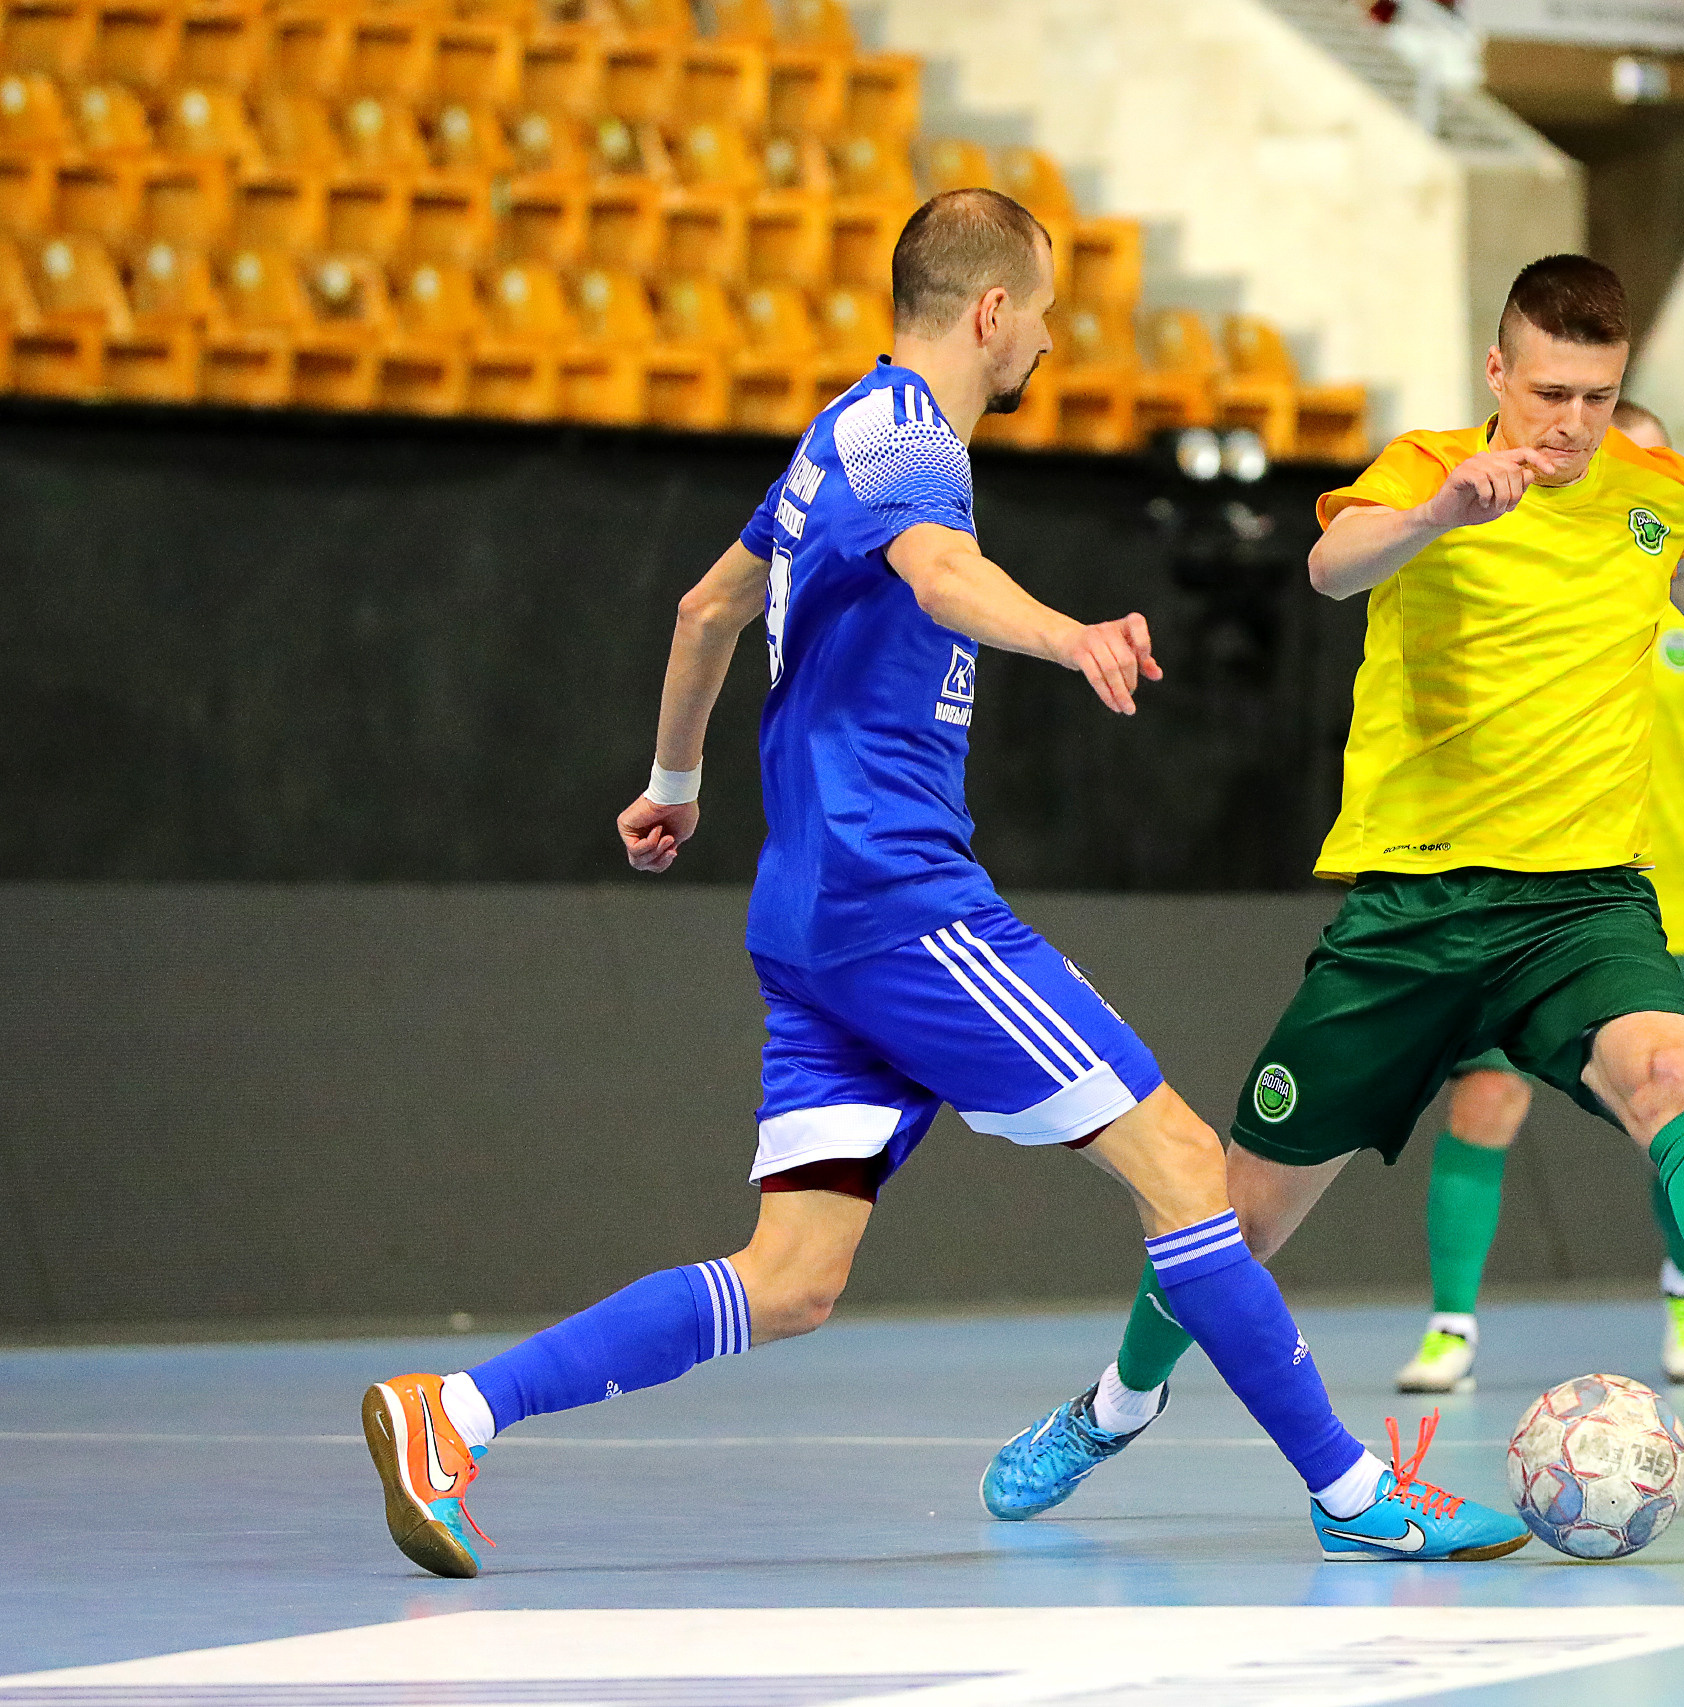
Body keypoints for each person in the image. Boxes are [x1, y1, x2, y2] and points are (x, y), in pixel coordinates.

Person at [358, 188, 1526, 1579]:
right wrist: (1071, 635)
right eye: (1045, 313)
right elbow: (940, 575)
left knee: (792, 1276)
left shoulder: (834, 440)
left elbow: (705, 609)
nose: (1051, 341)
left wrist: (675, 783)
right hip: (898, 901)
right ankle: (1350, 1489)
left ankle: (454, 1411)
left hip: (809, 918)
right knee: (1182, 1164)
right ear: (992, 311)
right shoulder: (908, 438)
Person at [981, 254, 1684, 1526]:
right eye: (1550, 393)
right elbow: (1330, 566)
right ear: (1497, 371)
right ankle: (1115, 1406)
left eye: (1598, 396)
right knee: (1238, 1217)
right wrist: (1441, 514)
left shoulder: (1654, 489)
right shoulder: (1426, 469)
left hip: (1581, 902)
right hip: (1414, 910)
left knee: (1670, 1076)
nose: (1572, 423)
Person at [1393, 398, 1684, 1396]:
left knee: (1675, 1105)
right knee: (1484, 1097)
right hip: (1523, 897)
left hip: (1667, 911)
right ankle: (1451, 1323)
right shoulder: (1532, 586)